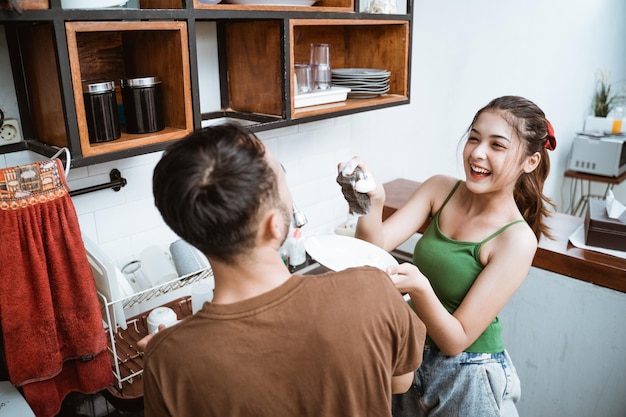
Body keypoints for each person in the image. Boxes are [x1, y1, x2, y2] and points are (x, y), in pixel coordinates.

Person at [143, 122, 427, 416]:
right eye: (282, 178)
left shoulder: (167, 360)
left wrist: (173, 351)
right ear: (274, 224)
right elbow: (400, 381)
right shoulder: (373, 291)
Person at [341, 96, 557, 417]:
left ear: (531, 162)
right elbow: (372, 250)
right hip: (411, 356)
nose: (477, 153)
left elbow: (456, 340)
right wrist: (370, 203)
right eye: (474, 137)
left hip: (469, 376)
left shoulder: (517, 240)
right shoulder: (439, 189)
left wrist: (419, 286)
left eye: (497, 146)